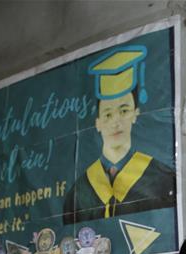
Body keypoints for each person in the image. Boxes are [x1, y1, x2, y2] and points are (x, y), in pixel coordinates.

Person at [63, 46, 175, 225]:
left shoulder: (162, 180)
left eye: (124, 111)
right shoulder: (78, 193)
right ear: (98, 123)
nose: (116, 122)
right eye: (108, 114)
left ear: (135, 114)